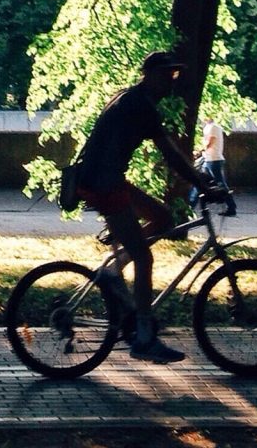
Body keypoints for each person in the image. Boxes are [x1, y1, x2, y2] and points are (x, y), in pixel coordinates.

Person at [74, 50, 218, 364]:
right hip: (104, 183)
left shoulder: (130, 98)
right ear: (150, 74)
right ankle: (143, 336)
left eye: (175, 75)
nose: (172, 81)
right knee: (145, 256)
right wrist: (203, 183)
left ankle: (114, 270)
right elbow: (171, 154)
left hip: (105, 178)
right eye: (167, 75)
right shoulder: (141, 105)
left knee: (163, 218)